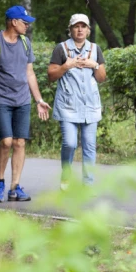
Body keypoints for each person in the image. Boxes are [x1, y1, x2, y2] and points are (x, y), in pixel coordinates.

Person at [0, 5, 51, 202]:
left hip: (22, 100)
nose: (27, 26)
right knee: (6, 141)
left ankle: (15, 187)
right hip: (1, 99)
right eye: (24, 22)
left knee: (20, 142)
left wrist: (39, 100)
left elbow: (30, 73)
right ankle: (0, 181)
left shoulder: (26, 43)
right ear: (13, 22)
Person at [47, 14, 106, 190]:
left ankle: (88, 185)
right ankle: (66, 175)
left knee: (89, 145)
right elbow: (51, 75)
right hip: (68, 106)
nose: (80, 29)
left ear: (88, 30)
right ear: (70, 29)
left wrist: (93, 65)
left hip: (90, 105)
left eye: (83, 26)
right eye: (76, 26)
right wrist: (67, 66)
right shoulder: (61, 49)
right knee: (70, 143)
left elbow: (102, 78)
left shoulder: (95, 49)